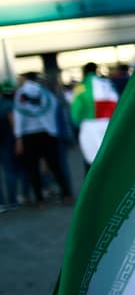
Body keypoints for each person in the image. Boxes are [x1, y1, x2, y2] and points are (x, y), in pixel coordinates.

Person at [13, 72, 73, 206]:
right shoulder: (45, 92)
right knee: (55, 166)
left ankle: (40, 199)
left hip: (29, 135)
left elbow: (19, 115)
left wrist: (18, 137)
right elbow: (54, 107)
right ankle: (67, 194)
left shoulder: (21, 93)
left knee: (33, 168)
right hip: (47, 133)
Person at [0, 81, 19, 211]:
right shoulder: (9, 105)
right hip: (7, 142)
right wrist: (18, 140)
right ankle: (12, 201)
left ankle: (1, 203)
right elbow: (13, 123)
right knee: (10, 172)